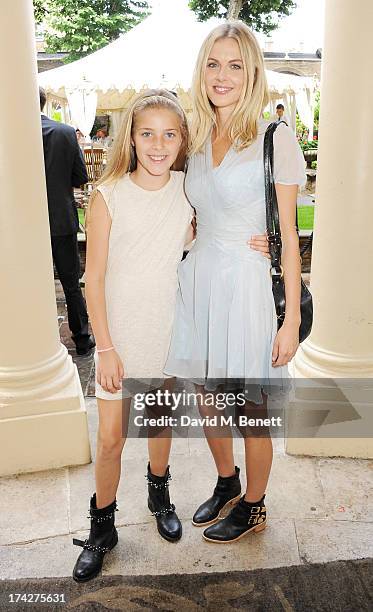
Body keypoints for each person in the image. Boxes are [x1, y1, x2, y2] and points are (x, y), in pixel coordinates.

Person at [71, 87, 271, 582]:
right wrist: (107, 348)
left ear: (182, 141)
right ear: (131, 139)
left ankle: (159, 494)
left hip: (168, 332)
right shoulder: (108, 194)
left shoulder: (188, 190)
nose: (158, 145)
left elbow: (219, 227)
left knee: (158, 424)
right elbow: (92, 278)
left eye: (169, 135)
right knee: (113, 438)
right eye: (147, 134)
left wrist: (259, 239)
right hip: (121, 337)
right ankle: (102, 527)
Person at [164, 21, 306, 543]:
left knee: (252, 405)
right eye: (213, 64)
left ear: (252, 74)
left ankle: (255, 505)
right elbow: (193, 210)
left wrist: (289, 320)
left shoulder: (276, 137)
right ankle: (228, 482)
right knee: (206, 393)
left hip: (246, 284)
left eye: (235, 65)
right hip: (199, 278)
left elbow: (288, 237)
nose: (222, 76)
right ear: (202, 70)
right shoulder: (196, 137)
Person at [39, 87, 95, 356]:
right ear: (44, 102)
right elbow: (80, 177)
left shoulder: (11, 132)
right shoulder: (64, 133)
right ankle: (82, 340)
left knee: (30, 283)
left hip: (24, 225)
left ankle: (36, 339)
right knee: (71, 282)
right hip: (61, 217)